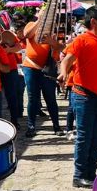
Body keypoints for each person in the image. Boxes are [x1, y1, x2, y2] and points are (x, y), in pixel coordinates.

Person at [58, 6, 97, 188]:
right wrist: (62, 73)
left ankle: (90, 173)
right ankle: (79, 175)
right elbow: (67, 60)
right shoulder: (82, 40)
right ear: (94, 22)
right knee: (84, 137)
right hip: (83, 96)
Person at [21, 10, 65, 138]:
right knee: (32, 97)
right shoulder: (31, 24)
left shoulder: (57, 30)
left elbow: (62, 47)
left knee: (50, 98)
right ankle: (31, 126)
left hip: (48, 68)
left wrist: (52, 42)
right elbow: (27, 34)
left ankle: (56, 126)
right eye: (43, 13)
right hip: (31, 67)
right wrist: (39, 21)